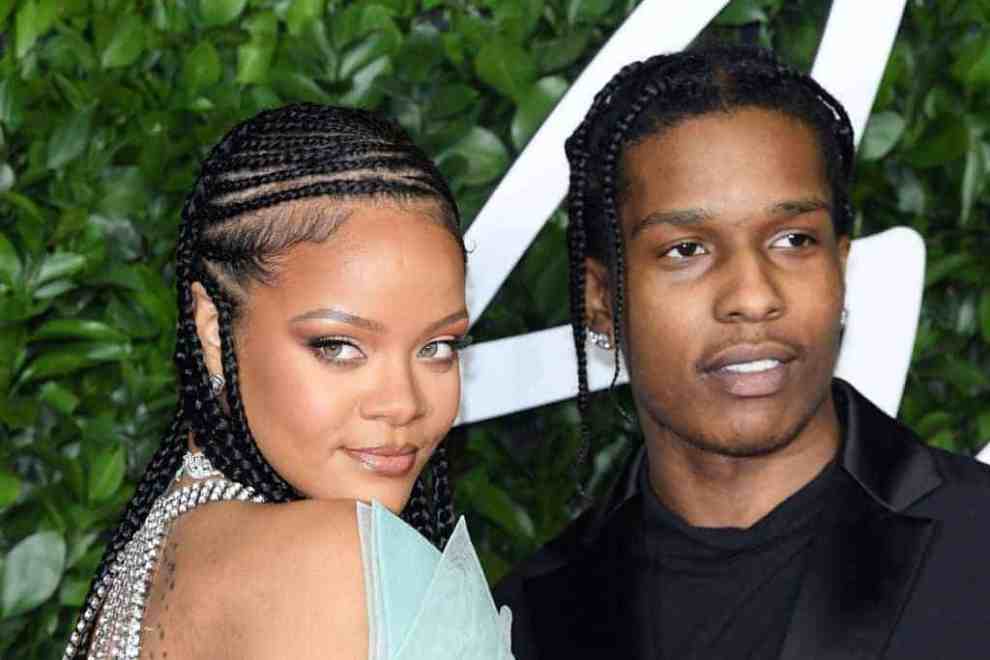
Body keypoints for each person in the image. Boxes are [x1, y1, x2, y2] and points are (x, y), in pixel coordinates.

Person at [495, 45, 990, 659]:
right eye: (686, 250)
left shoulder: (978, 538)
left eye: (792, 240)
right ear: (602, 298)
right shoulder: (526, 626)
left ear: (840, 265)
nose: (753, 297)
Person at [64, 104, 512, 660]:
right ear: (212, 329)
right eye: (339, 347)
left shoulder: (154, 554)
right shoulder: (339, 559)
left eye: (437, 347)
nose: (402, 404)